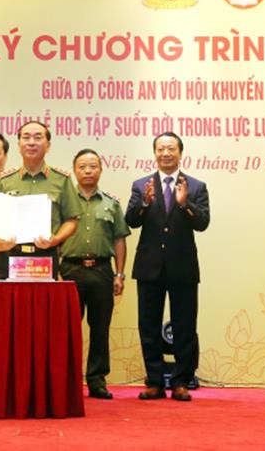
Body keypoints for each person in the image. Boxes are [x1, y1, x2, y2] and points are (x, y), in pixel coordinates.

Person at [125, 132, 210, 402]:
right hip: (149, 266)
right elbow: (131, 221)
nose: (165, 153)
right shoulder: (141, 185)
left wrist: (185, 204)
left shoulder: (196, 186)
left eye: (171, 149)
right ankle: (154, 382)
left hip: (183, 267)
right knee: (148, 326)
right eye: (161, 149)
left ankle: (181, 382)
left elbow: (203, 223)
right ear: (154, 153)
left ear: (180, 153)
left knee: (185, 326)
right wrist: (145, 202)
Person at [60, 149, 129, 400]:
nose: (88, 171)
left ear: (101, 170)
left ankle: (97, 381)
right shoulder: (63, 202)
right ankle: (67, 380)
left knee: (100, 329)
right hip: (70, 270)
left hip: (102, 271)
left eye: (93, 166)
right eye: (82, 167)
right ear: (74, 170)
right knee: (67, 330)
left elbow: (119, 239)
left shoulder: (111, 203)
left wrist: (119, 274)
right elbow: (53, 238)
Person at [0, 121, 81, 279]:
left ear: (48, 146)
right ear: (19, 145)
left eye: (38, 137)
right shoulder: (4, 180)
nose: (31, 142)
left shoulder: (62, 180)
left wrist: (56, 239)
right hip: (10, 255)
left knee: (44, 296)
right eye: (26, 137)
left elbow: (72, 220)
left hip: (45, 256)